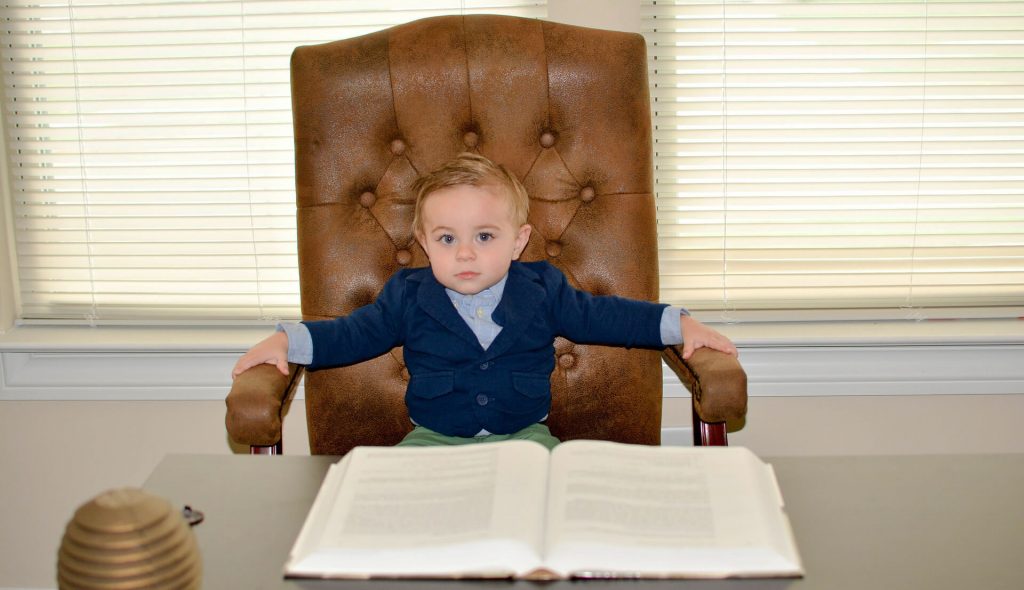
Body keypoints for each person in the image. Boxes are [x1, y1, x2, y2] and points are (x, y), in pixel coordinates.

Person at [232, 152, 737, 449]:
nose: (466, 252)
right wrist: (289, 341)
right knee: (393, 504)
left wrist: (678, 325)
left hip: (525, 439)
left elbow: (607, 316)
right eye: (448, 239)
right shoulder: (407, 295)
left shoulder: (543, 288)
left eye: (486, 237)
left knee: (551, 506)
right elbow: (352, 333)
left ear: (518, 241)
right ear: (425, 243)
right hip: (431, 441)